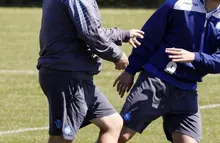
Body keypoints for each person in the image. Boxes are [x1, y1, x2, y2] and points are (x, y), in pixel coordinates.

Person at [114, 0, 220, 142]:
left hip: (187, 90)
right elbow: (148, 38)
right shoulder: (177, 5)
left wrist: (194, 57)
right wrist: (130, 70)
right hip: (155, 81)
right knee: (121, 135)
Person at [37, 0, 144, 143]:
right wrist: (116, 55)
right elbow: (91, 33)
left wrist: (123, 34)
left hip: (74, 74)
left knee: (113, 123)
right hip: (67, 75)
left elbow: (89, 29)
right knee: (62, 138)